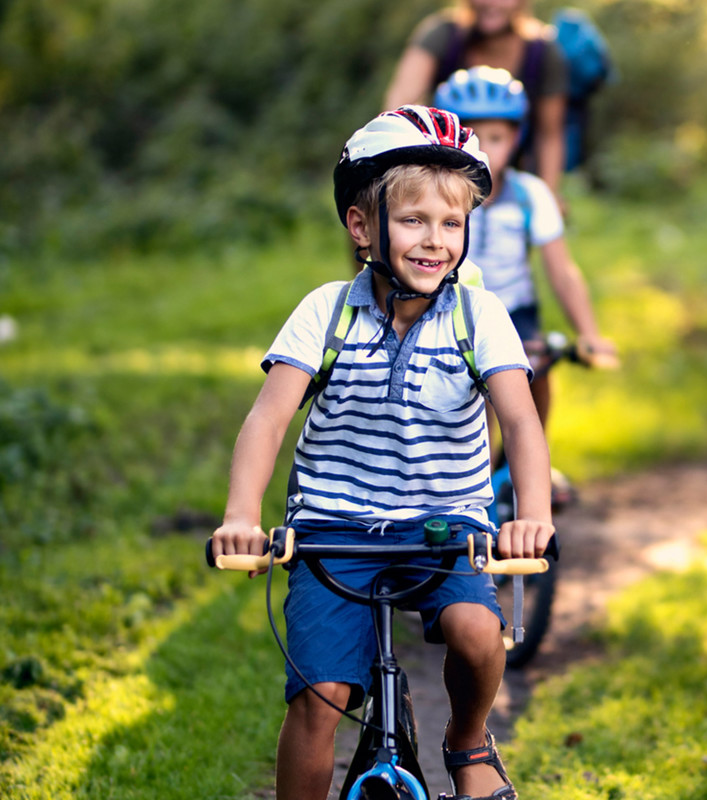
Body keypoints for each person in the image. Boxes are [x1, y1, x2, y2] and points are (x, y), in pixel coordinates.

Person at [210, 105, 553, 800]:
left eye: (451, 224)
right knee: (320, 696)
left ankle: (467, 740)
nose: (435, 242)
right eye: (413, 221)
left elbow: (518, 419)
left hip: (443, 524)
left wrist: (532, 513)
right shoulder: (326, 312)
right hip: (334, 527)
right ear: (362, 227)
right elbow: (269, 418)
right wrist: (242, 514)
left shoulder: (477, 316)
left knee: (478, 633)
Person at [433, 66, 616, 435]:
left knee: (536, 377)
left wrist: (589, 333)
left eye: (496, 137)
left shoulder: (531, 194)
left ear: (516, 138)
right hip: (448, 312)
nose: (484, 149)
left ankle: (532, 468)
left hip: (515, 314)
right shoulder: (434, 195)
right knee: (470, 408)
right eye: (472, 137)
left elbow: (562, 271)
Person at [384, 0, 569, 206]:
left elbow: (550, 134)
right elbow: (397, 107)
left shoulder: (542, 52)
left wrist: (548, 197)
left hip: (512, 173)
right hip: (442, 168)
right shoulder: (443, 36)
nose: (490, 3)